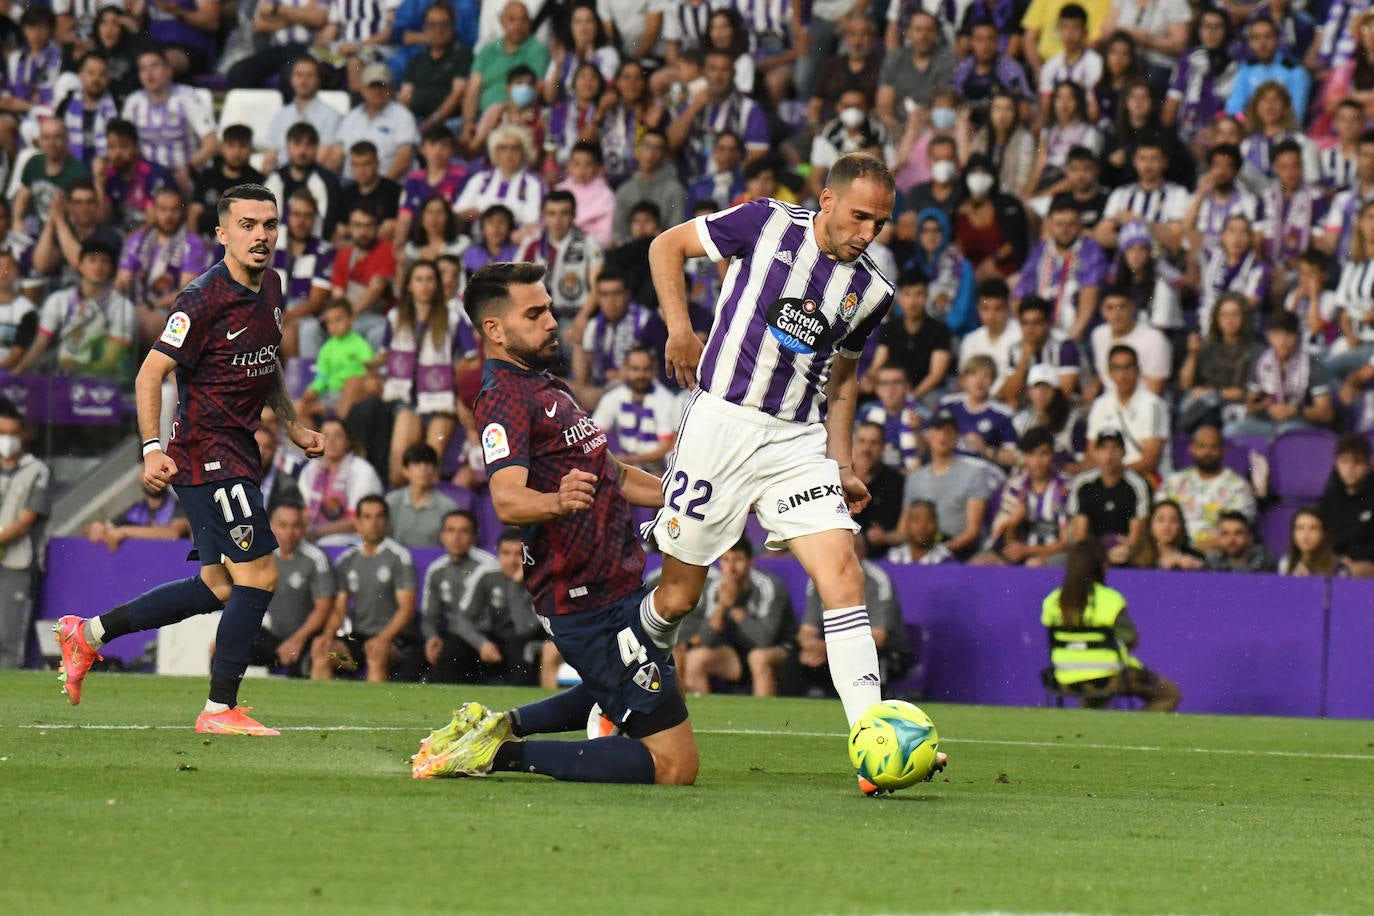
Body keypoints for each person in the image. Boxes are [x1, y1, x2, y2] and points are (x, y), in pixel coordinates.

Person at [644, 154, 946, 791]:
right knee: (678, 597)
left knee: (842, 572)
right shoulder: (763, 223)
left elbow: (841, 376)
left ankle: (873, 738)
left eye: (881, 224)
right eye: (860, 216)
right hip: (720, 426)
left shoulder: (872, 292)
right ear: (827, 201)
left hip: (796, 442)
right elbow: (665, 246)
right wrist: (679, 329)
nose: (868, 232)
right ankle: (616, 692)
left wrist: (842, 463)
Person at [411, 262, 698, 787]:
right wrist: (557, 501)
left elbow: (614, 473)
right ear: (494, 330)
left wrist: (700, 497)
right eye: (535, 312)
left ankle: (500, 727)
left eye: (549, 309)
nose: (551, 322)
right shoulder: (502, 398)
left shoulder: (548, 386)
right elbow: (507, 501)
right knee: (675, 767)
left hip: (615, 588)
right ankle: (498, 757)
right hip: (584, 602)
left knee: (613, 688)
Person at [53, 183, 326, 733]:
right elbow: (151, 372)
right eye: (248, 225)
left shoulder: (272, 286)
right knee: (261, 576)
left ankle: (88, 634)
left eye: (269, 224)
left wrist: (291, 422)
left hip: (239, 449)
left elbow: (264, 363)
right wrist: (151, 448)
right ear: (222, 233)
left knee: (218, 586)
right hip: (207, 454)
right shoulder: (200, 299)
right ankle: (219, 709)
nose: (261, 235)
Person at [1041, 539, 1182, 711]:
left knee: (1093, 701)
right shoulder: (1110, 599)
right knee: (1169, 694)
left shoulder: (1052, 601)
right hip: (1110, 676)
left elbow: (1052, 640)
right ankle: (1129, 733)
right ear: (1101, 566)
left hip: (1063, 676)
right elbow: (1131, 639)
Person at [310, 495, 421, 681]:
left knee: (377, 654)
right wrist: (327, 636)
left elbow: (406, 610)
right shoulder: (347, 560)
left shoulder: (399, 557)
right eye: (367, 517)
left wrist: (383, 639)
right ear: (357, 522)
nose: (373, 523)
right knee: (324, 652)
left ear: (386, 521)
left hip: (395, 641)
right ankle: (320, 709)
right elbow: (339, 608)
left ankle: (376, 709)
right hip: (359, 640)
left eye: (379, 517)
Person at [423, 522, 541, 685]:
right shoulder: (486, 574)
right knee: (454, 647)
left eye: (518, 554)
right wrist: (482, 644)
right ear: (498, 554)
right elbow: (462, 619)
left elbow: (523, 629)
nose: (512, 561)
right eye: (506, 553)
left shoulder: (538, 581)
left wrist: (515, 585)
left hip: (524, 641)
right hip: (491, 640)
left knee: (522, 657)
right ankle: (440, 694)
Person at [680, 537, 796, 697]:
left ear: (750, 562)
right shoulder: (715, 588)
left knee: (758, 658)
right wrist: (722, 606)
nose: (731, 568)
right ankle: (706, 719)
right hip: (736, 655)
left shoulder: (767, 586)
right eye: (726, 560)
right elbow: (707, 640)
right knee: (695, 659)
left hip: (781, 652)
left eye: (738, 560)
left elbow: (765, 640)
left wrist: (735, 610)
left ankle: (765, 719)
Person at [15, 236, 135, 381]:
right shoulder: (59, 300)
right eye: (92, 260)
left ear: (112, 269)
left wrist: (79, 368)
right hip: (60, 378)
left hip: (104, 383)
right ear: (80, 266)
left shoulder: (123, 308)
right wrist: (17, 374)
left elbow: (112, 358)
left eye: (104, 261)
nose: (98, 267)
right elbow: (40, 345)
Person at [247, 500, 335, 677]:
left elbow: (324, 608)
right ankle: (220, 702)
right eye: (283, 525)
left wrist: (297, 640)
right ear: (271, 526)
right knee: (224, 648)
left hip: (307, 637)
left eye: (295, 526)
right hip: (275, 635)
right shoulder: (264, 556)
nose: (289, 533)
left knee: (305, 663)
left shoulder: (316, 559)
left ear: (303, 528)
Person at [902, 408, 993, 561]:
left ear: (956, 436)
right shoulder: (915, 478)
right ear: (929, 435)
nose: (943, 436)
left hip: (960, 553)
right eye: (938, 430)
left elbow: (972, 531)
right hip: (921, 550)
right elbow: (904, 528)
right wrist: (883, 537)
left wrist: (939, 552)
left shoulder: (974, 474)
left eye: (949, 431)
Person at [1229, 310, 1336, 437]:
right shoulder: (1261, 363)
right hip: (1268, 423)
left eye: (1289, 335)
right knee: (1232, 430)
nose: (1283, 341)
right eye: (1277, 334)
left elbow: (1326, 414)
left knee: (1285, 432)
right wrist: (1262, 405)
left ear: (1298, 337)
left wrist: (1296, 410)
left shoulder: (1312, 364)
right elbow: (1250, 406)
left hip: (1300, 423)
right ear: (1269, 336)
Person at [0, 399, 50, 669]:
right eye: (1, 433)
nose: (6, 440)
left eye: (11, 433)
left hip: (17, 564)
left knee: (9, 638)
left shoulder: (37, 470)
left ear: (22, 436)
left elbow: (26, 521)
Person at [1158, 424, 1257, 553]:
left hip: (1217, 558)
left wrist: (1192, 553)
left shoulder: (1238, 486)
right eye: (1202, 446)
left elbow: (1236, 534)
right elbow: (1157, 523)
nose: (1207, 452)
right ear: (1191, 449)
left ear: (1223, 450)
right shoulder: (1173, 482)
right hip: (1171, 555)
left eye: (1213, 447)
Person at [864, 268, 951, 407]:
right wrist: (868, 380)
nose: (913, 301)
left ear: (927, 296)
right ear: (899, 298)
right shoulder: (890, 328)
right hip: (897, 390)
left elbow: (936, 375)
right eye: (907, 294)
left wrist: (910, 397)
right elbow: (878, 364)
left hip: (927, 394)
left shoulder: (940, 330)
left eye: (919, 294)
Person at [1085, 343, 1171, 480]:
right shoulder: (1100, 405)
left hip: (1143, 478)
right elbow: (1092, 453)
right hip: (1107, 478)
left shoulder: (1153, 404)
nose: (1123, 374)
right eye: (1117, 368)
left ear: (1138, 370)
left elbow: (1150, 461)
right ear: (1109, 372)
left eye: (1128, 367)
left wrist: (1114, 473)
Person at [589, 345, 679, 475]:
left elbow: (666, 447)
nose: (640, 375)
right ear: (625, 370)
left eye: (645, 369)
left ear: (653, 370)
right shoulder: (613, 397)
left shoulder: (665, 399)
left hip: (657, 471)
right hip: (624, 467)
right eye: (635, 369)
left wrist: (630, 460)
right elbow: (595, 435)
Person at [991, 426, 1071, 567]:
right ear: (1024, 456)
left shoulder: (1066, 487)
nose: (1037, 461)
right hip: (1022, 553)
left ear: (1052, 454)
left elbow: (1067, 542)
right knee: (984, 563)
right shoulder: (1014, 488)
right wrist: (1013, 524)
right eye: (1032, 454)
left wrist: (1027, 551)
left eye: (1043, 453)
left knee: (1034, 564)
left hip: (1056, 555)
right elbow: (1005, 541)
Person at [1069, 428, 1151, 565]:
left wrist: (1125, 550)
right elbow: (1079, 535)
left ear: (1124, 452)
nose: (1109, 455)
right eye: (1103, 448)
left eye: (1115, 448)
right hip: (1092, 552)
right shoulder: (1083, 484)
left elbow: (1136, 534)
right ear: (1095, 453)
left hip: (1125, 551)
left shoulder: (1137, 484)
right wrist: (1102, 555)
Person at [1318, 433, 1374, 577]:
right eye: (1344, 461)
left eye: (1357, 463)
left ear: (1368, 466)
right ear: (1336, 464)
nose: (1350, 469)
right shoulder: (1330, 495)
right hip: (1333, 561)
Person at [384, 443, 460, 548]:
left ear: (435, 470)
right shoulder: (391, 502)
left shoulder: (449, 507)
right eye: (416, 464)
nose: (423, 469)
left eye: (428, 464)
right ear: (405, 470)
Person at [1126, 499, 1205, 570]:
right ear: (1150, 525)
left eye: (1173, 520)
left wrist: (1197, 566)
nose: (1166, 526)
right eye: (1160, 520)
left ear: (1180, 526)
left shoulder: (1194, 556)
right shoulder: (1135, 558)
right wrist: (1159, 565)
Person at [886, 498, 957, 565]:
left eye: (929, 520)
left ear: (936, 526)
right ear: (907, 525)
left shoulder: (946, 559)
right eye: (916, 520)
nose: (922, 526)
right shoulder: (892, 558)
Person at [1203, 510, 1277, 573]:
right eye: (1225, 534)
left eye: (1238, 533)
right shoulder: (1212, 559)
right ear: (1218, 538)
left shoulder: (1264, 557)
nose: (1231, 539)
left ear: (1249, 537)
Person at [1279, 507, 1339, 576]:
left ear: (1323, 533)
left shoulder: (1336, 566)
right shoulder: (1285, 563)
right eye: (1300, 528)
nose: (1305, 535)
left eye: (1313, 528)